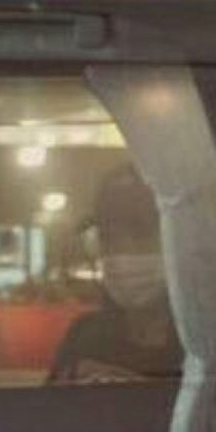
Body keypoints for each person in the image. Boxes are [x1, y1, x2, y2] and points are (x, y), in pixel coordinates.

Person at [48, 163, 183, 383]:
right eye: (109, 239)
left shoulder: (206, 345)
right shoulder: (85, 336)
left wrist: (137, 393)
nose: (122, 255)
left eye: (140, 236)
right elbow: (47, 402)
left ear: (177, 239)